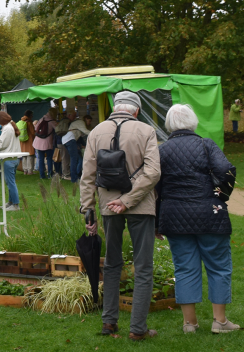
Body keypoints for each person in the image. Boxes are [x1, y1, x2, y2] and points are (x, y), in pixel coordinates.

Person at [80, 91, 161, 341]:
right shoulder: (146, 131)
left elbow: (87, 175)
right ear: (136, 111)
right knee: (143, 266)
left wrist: (88, 210)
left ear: (115, 108)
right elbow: (153, 173)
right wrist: (127, 200)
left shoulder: (96, 132)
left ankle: (109, 322)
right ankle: (137, 328)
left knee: (113, 263)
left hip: (107, 204)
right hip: (140, 204)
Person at [156, 104, 239, 334]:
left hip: (174, 216)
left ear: (169, 124)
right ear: (193, 122)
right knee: (219, 267)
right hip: (209, 214)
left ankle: (189, 324)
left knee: (184, 268)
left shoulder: (162, 150)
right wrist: (220, 195)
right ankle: (220, 322)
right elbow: (226, 170)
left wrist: (157, 222)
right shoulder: (206, 144)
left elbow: (155, 187)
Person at [0, 112, 22, 211]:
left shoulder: (7, 128)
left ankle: (16, 204)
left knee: (10, 182)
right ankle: (11, 202)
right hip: (14, 158)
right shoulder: (11, 126)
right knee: (10, 182)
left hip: (8, 158)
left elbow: (1, 146)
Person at [33, 107, 58, 179]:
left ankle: (42, 175)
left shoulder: (41, 119)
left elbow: (36, 128)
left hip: (38, 142)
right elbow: (57, 129)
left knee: (41, 159)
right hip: (47, 142)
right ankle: (49, 174)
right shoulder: (52, 121)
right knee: (49, 159)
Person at [18, 110, 36, 175]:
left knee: (24, 156)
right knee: (30, 156)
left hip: (22, 140)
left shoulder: (21, 121)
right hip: (29, 140)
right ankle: (30, 171)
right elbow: (33, 132)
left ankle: (25, 170)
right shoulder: (29, 122)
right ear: (30, 115)